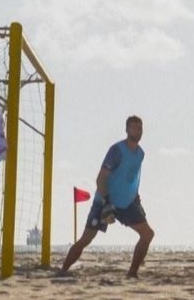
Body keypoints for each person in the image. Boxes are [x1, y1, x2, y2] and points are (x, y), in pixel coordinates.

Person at [59, 115, 155, 278]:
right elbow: (101, 178)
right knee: (86, 239)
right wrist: (106, 203)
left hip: (127, 203)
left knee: (147, 235)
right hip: (105, 199)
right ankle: (62, 271)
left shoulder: (141, 154)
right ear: (126, 130)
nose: (137, 131)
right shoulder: (116, 150)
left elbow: (132, 177)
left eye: (139, 128)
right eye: (133, 128)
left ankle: (132, 274)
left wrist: (136, 197)